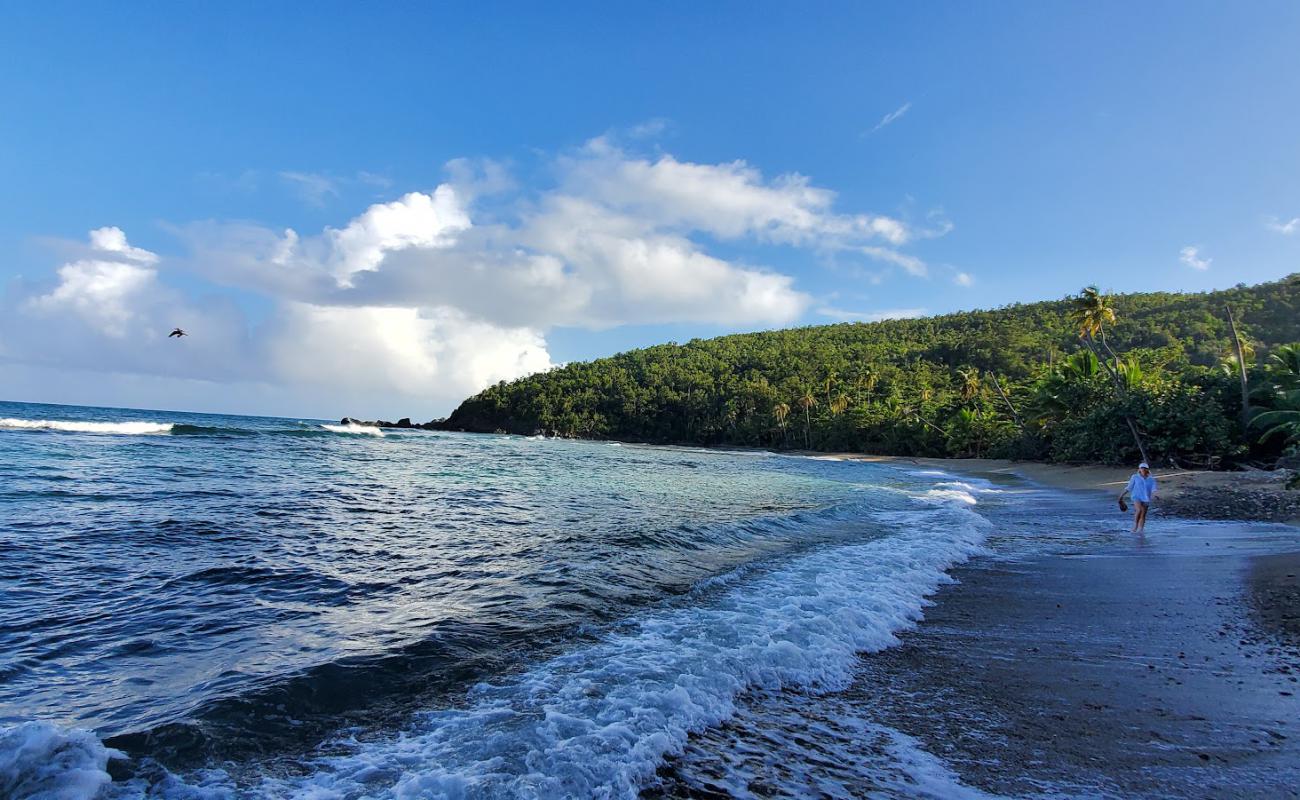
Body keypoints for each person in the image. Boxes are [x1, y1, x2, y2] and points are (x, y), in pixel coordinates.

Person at [1119, 462, 1157, 533]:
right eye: (1141, 468)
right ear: (1139, 469)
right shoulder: (1135, 477)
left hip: (1146, 498)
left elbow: (1154, 489)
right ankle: (1135, 526)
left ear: (1147, 469)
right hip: (1136, 496)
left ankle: (1140, 530)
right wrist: (1121, 496)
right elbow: (1129, 487)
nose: (1143, 469)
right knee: (1138, 510)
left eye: (1144, 468)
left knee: (1143, 515)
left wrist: (1155, 495)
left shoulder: (1151, 479)